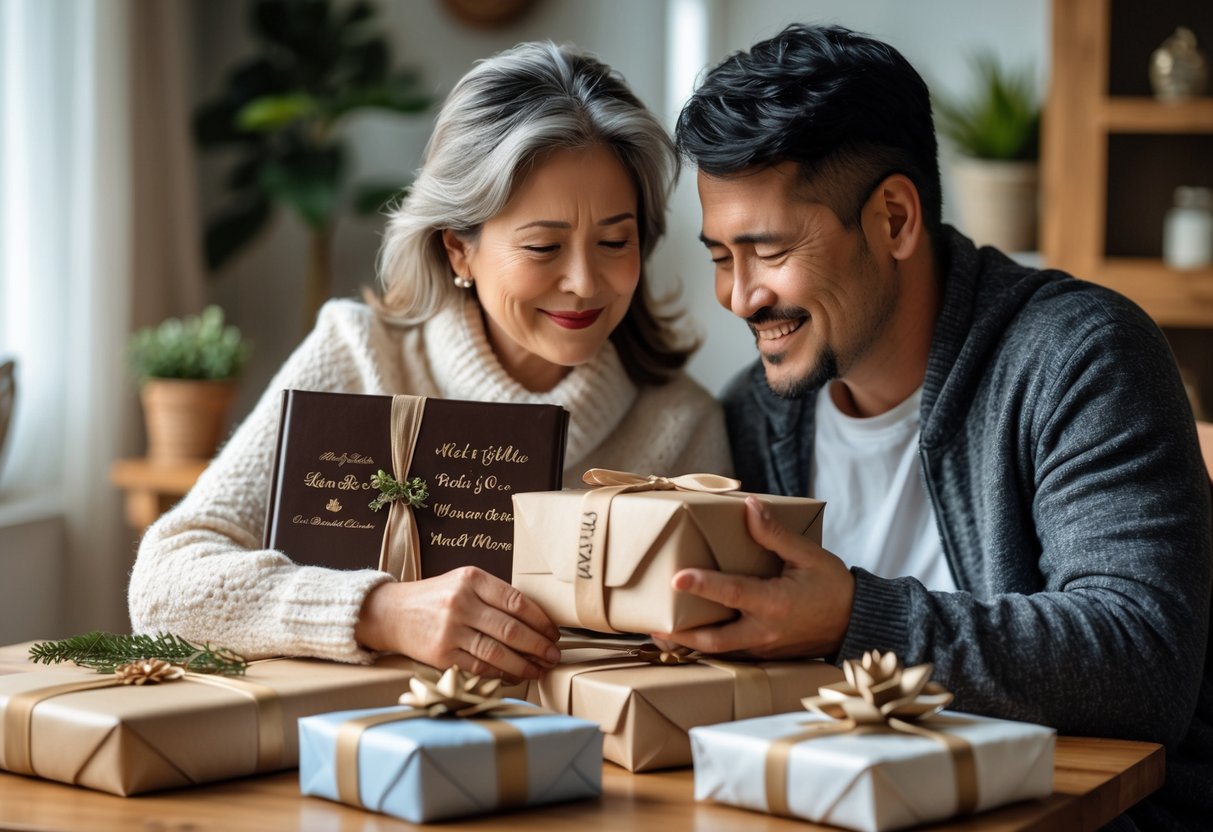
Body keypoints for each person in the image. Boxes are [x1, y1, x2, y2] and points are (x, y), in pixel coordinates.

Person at [659, 24, 1212, 830]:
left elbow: (1139, 659)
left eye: (767, 251)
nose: (739, 298)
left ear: (892, 218)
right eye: (719, 256)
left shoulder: (1079, 357)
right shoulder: (758, 409)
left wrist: (852, 616)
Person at [129, 42, 730, 684]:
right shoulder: (358, 357)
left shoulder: (679, 422)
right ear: (458, 251)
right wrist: (382, 611)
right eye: (543, 245)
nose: (585, 281)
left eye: (616, 241)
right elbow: (164, 584)